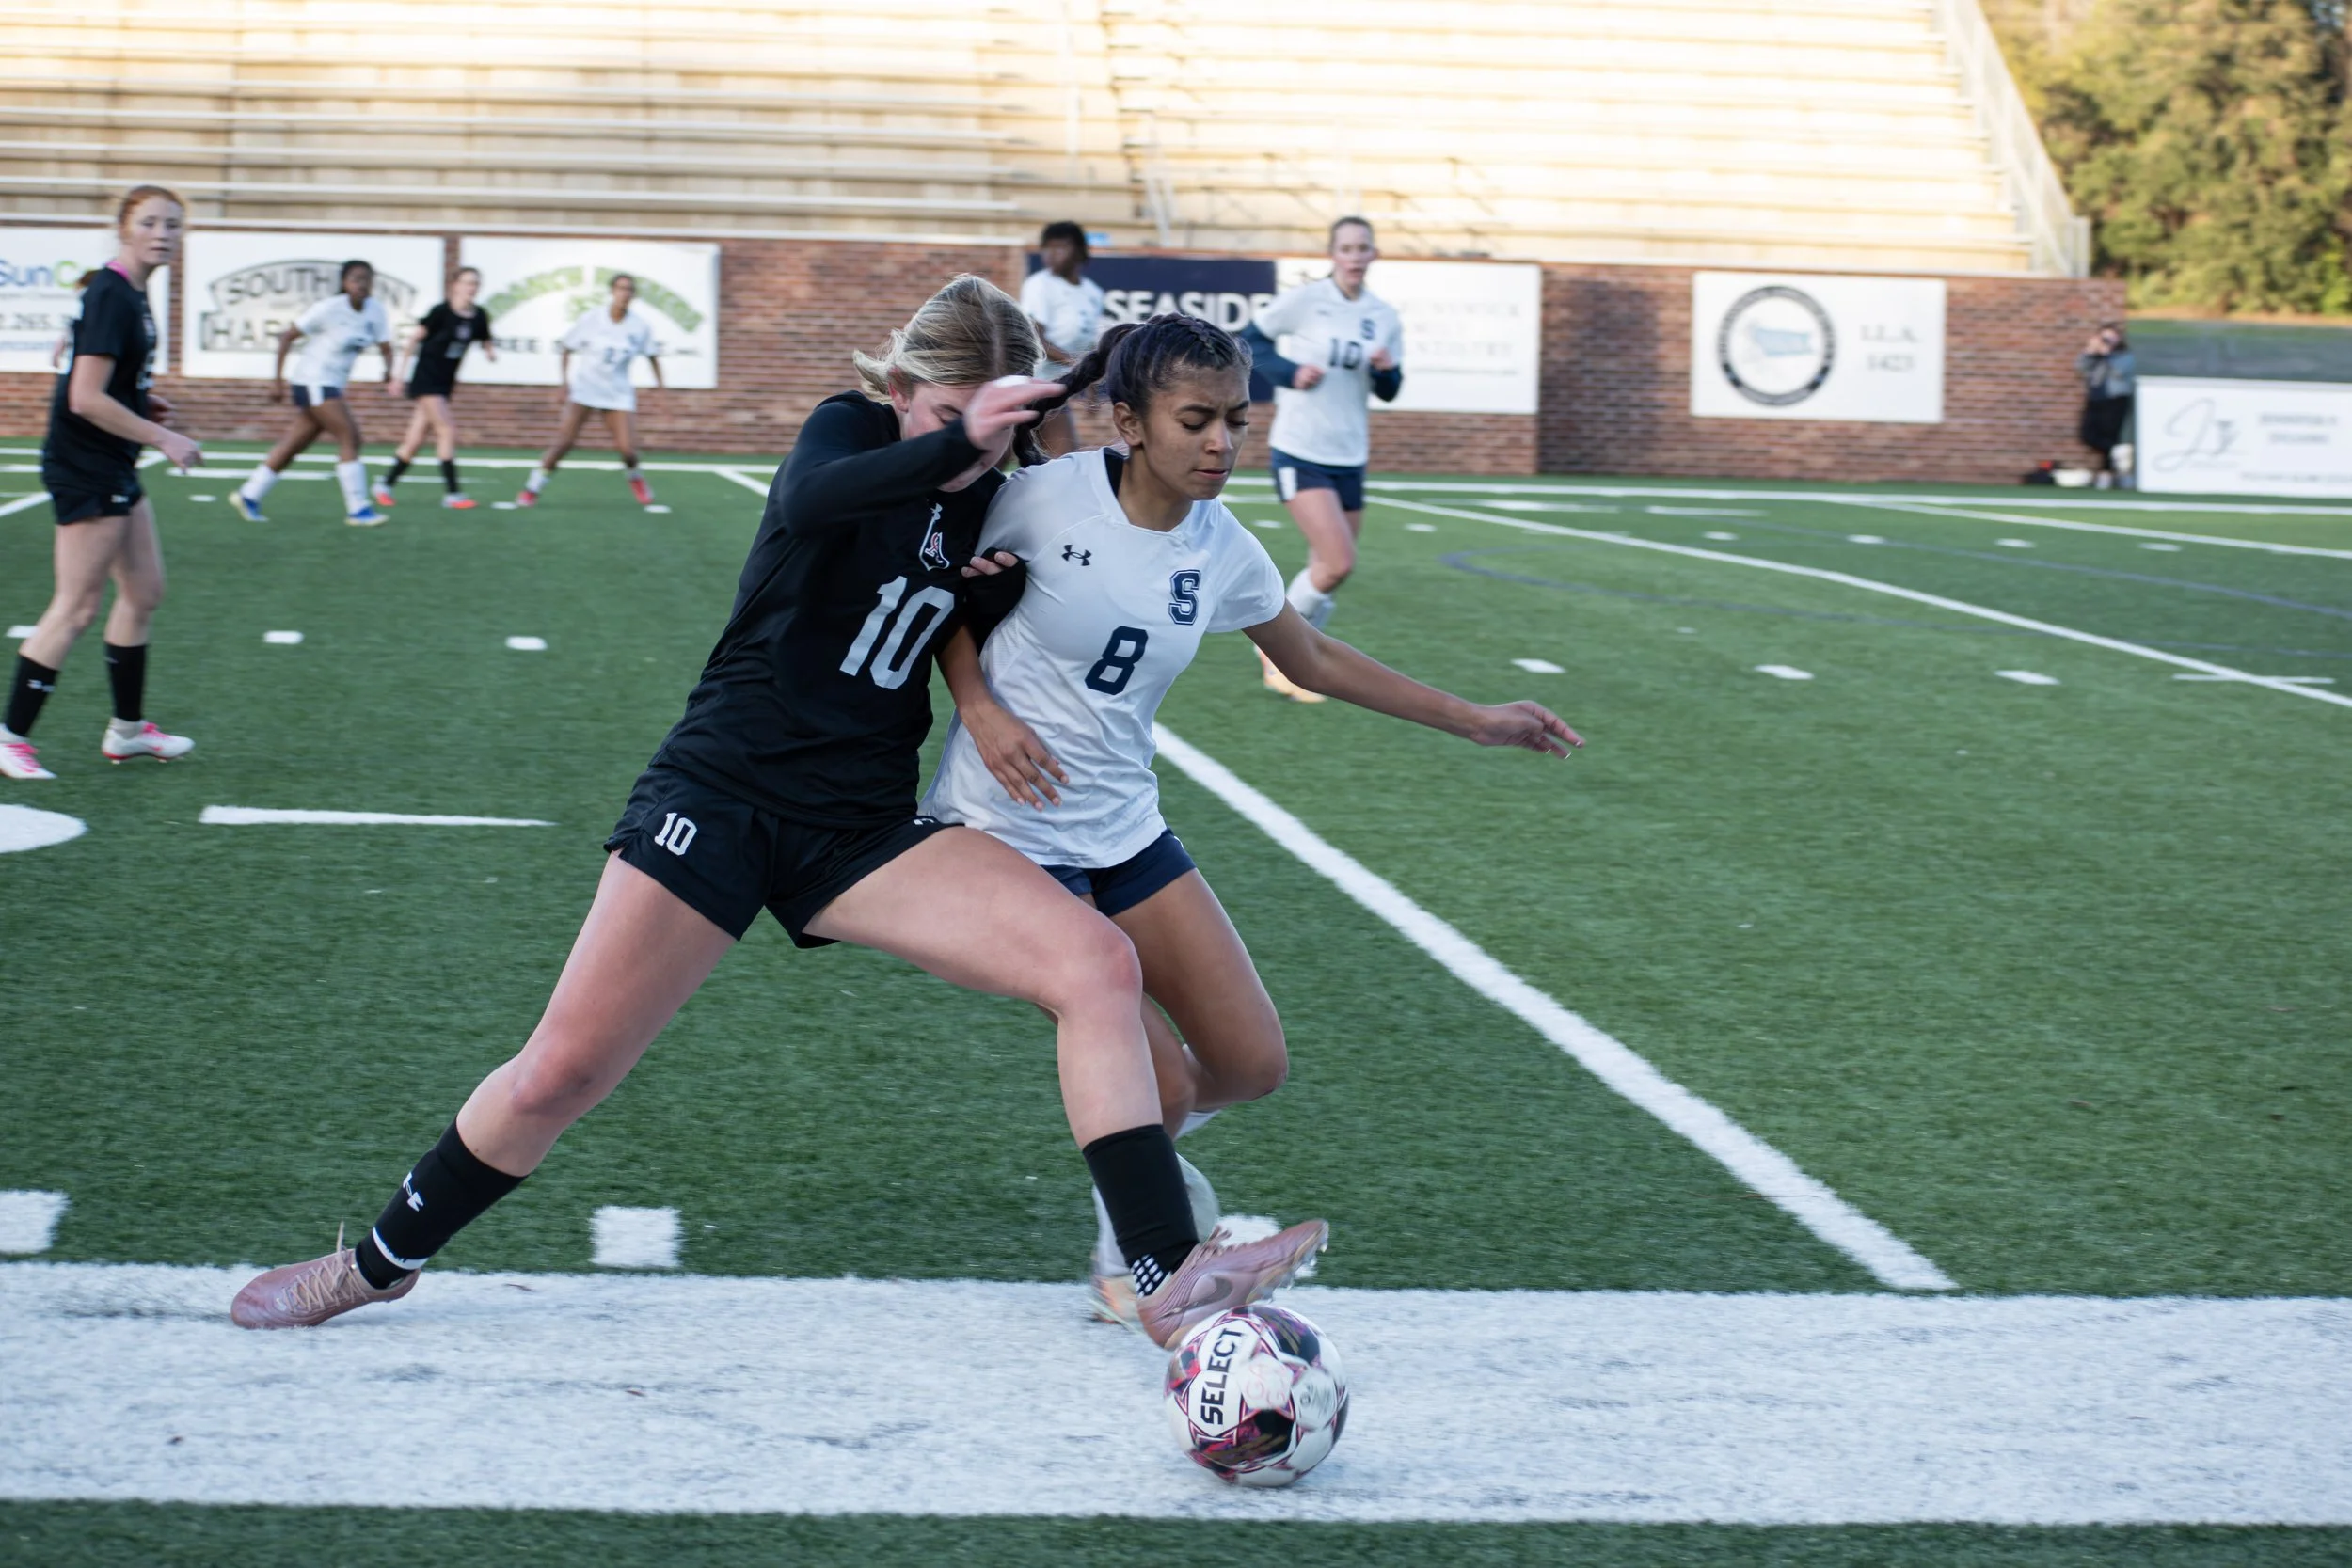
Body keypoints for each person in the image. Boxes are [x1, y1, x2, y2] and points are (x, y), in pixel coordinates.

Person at [229, 277, 1327, 1352]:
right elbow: (814, 504)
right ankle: (372, 1264)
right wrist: (955, 444)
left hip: (857, 823)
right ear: (903, 388)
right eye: (953, 417)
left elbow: (991, 604)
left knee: (1094, 961)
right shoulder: (850, 429)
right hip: (724, 792)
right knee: (562, 1070)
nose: (980, 449)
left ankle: (1158, 1276)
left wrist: (987, 645)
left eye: (997, 427)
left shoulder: (1001, 481)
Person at [920, 313, 1579, 1327]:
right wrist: (978, 705)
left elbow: (1307, 659)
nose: (1224, 443)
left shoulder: (1219, 543)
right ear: (1130, 420)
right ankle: (1141, 1251)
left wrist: (1477, 720)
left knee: (1248, 1062)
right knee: (1160, 1069)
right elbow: (943, 605)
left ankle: (1134, 1194)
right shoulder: (1041, 498)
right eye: (1197, 420)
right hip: (1003, 832)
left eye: (1237, 418)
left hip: (1121, 822)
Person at [3, 185, 202, 783]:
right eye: (150, 222)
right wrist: (161, 437)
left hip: (112, 461)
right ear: (124, 228)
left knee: (144, 593)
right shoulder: (114, 293)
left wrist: (144, 403)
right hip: (86, 464)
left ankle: (128, 731)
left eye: (173, 224)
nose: (163, 233)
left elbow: (106, 382)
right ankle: (10, 736)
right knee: (77, 605)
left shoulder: (131, 293)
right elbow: (85, 397)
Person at [1239, 216, 1403, 703]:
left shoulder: (1384, 315)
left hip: (1349, 453)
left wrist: (1386, 371)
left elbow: (1391, 390)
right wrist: (1291, 372)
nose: (1354, 256)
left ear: (1373, 255)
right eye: (1346, 248)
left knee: (1331, 570)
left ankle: (1301, 662)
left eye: (1362, 248)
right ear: (1333, 255)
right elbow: (1250, 341)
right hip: (1300, 448)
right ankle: (1276, 653)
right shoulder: (1307, 300)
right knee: (1336, 561)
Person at [230, 260, 395, 527]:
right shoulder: (329, 309)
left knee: (296, 443)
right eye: (355, 279)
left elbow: (386, 345)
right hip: (313, 381)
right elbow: (286, 337)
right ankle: (359, 509)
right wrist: (277, 382)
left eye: (367, 279)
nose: (361, 284)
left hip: (331, 385)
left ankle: (249, 494)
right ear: (344, 283)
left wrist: (389, 371)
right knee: (349, 435)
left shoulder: (375, 311)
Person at [516, 274, 662, 508]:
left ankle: (636, 479)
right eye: (620, 288)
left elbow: (653, 356)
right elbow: (566, 348)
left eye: (629, 290)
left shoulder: (640, 326)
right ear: (612, 292)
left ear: (633, 295)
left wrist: (660, 389)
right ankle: (532, 488)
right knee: (563, 443)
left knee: (628, 449)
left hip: (618, 393)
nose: (624, 294)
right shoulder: (592, 319)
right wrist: (564, 383)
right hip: (586, 389)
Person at [376, 266, 496, 511]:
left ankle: (385, 485)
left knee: (415, 440)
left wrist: (489, 350)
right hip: (426, 380)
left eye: (475, 284)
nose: (471, 288)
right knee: (447, 430)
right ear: (455, 285)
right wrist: (398, 377)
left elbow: (485, 337)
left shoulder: (479, 316)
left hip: (444, 384)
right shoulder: (440, 312)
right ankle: (453, 494)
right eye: (467, 283)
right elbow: (413, 341)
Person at [1020, 221, 1105, 457]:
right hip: (1028, 384)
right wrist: (1077, 366)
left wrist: (1091, 387)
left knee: (1058, 458)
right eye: (1047, 248)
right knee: (1063, 456)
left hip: (1053, 389)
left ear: (1079, 251)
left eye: (1060, 247)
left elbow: (1087, 346)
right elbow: (1035, 339)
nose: (1051, 254)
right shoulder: (1040, 284)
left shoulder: (1092, 292)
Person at [2077, 323, 2135, 487]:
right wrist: (2090, 352)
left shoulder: (2124, 355)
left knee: (2109, 436)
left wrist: (2107, 354)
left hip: (2115, 400)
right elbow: (2080, 368)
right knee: (2088, 435)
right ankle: (2118, 463)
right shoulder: (2094, 354)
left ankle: (2105, 475)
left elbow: (2120, 372)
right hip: (2096, 398)